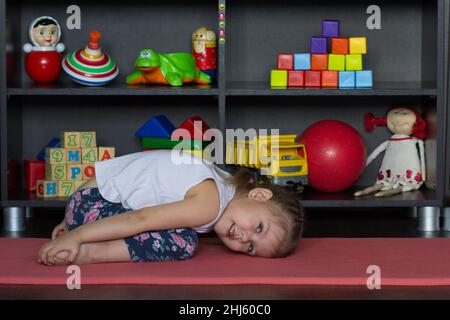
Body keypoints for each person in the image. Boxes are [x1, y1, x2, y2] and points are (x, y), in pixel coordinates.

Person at [38, 150, 304, 265]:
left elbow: (128, 169)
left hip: (87, 198)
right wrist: (77, 235)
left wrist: (69, 216)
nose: (245, 237)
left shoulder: (219, 179)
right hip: (95, 205)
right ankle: (89, 253)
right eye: (259, 227)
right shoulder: (210, 204)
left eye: (251, 248)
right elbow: (141, 218)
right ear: (258, 194)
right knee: (183, 241)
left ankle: (82, 228)